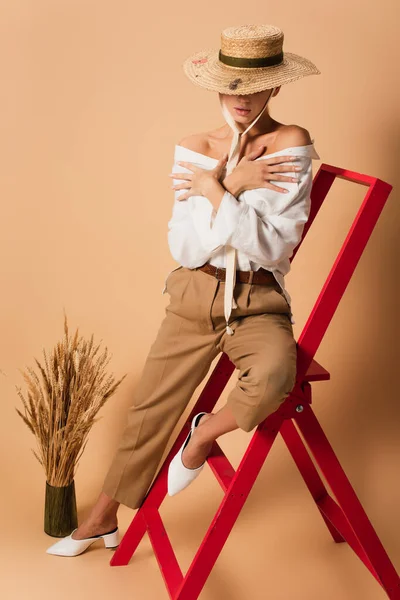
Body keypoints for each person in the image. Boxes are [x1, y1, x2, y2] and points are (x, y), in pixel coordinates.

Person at [46, 23, 321, 557]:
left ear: (276, 87)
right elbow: (189, 248)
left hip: (259, 301)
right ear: (216, 87)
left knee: (274, 375)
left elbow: (271, 248)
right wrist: (232, 187)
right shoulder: (193, 148)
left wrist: (215, 190)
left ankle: (201, 435)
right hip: (195, 291)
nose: (242, 100)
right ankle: (104, 519)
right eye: (231, 86)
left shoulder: (291, 144)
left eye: (255, 86)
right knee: (150, 407)